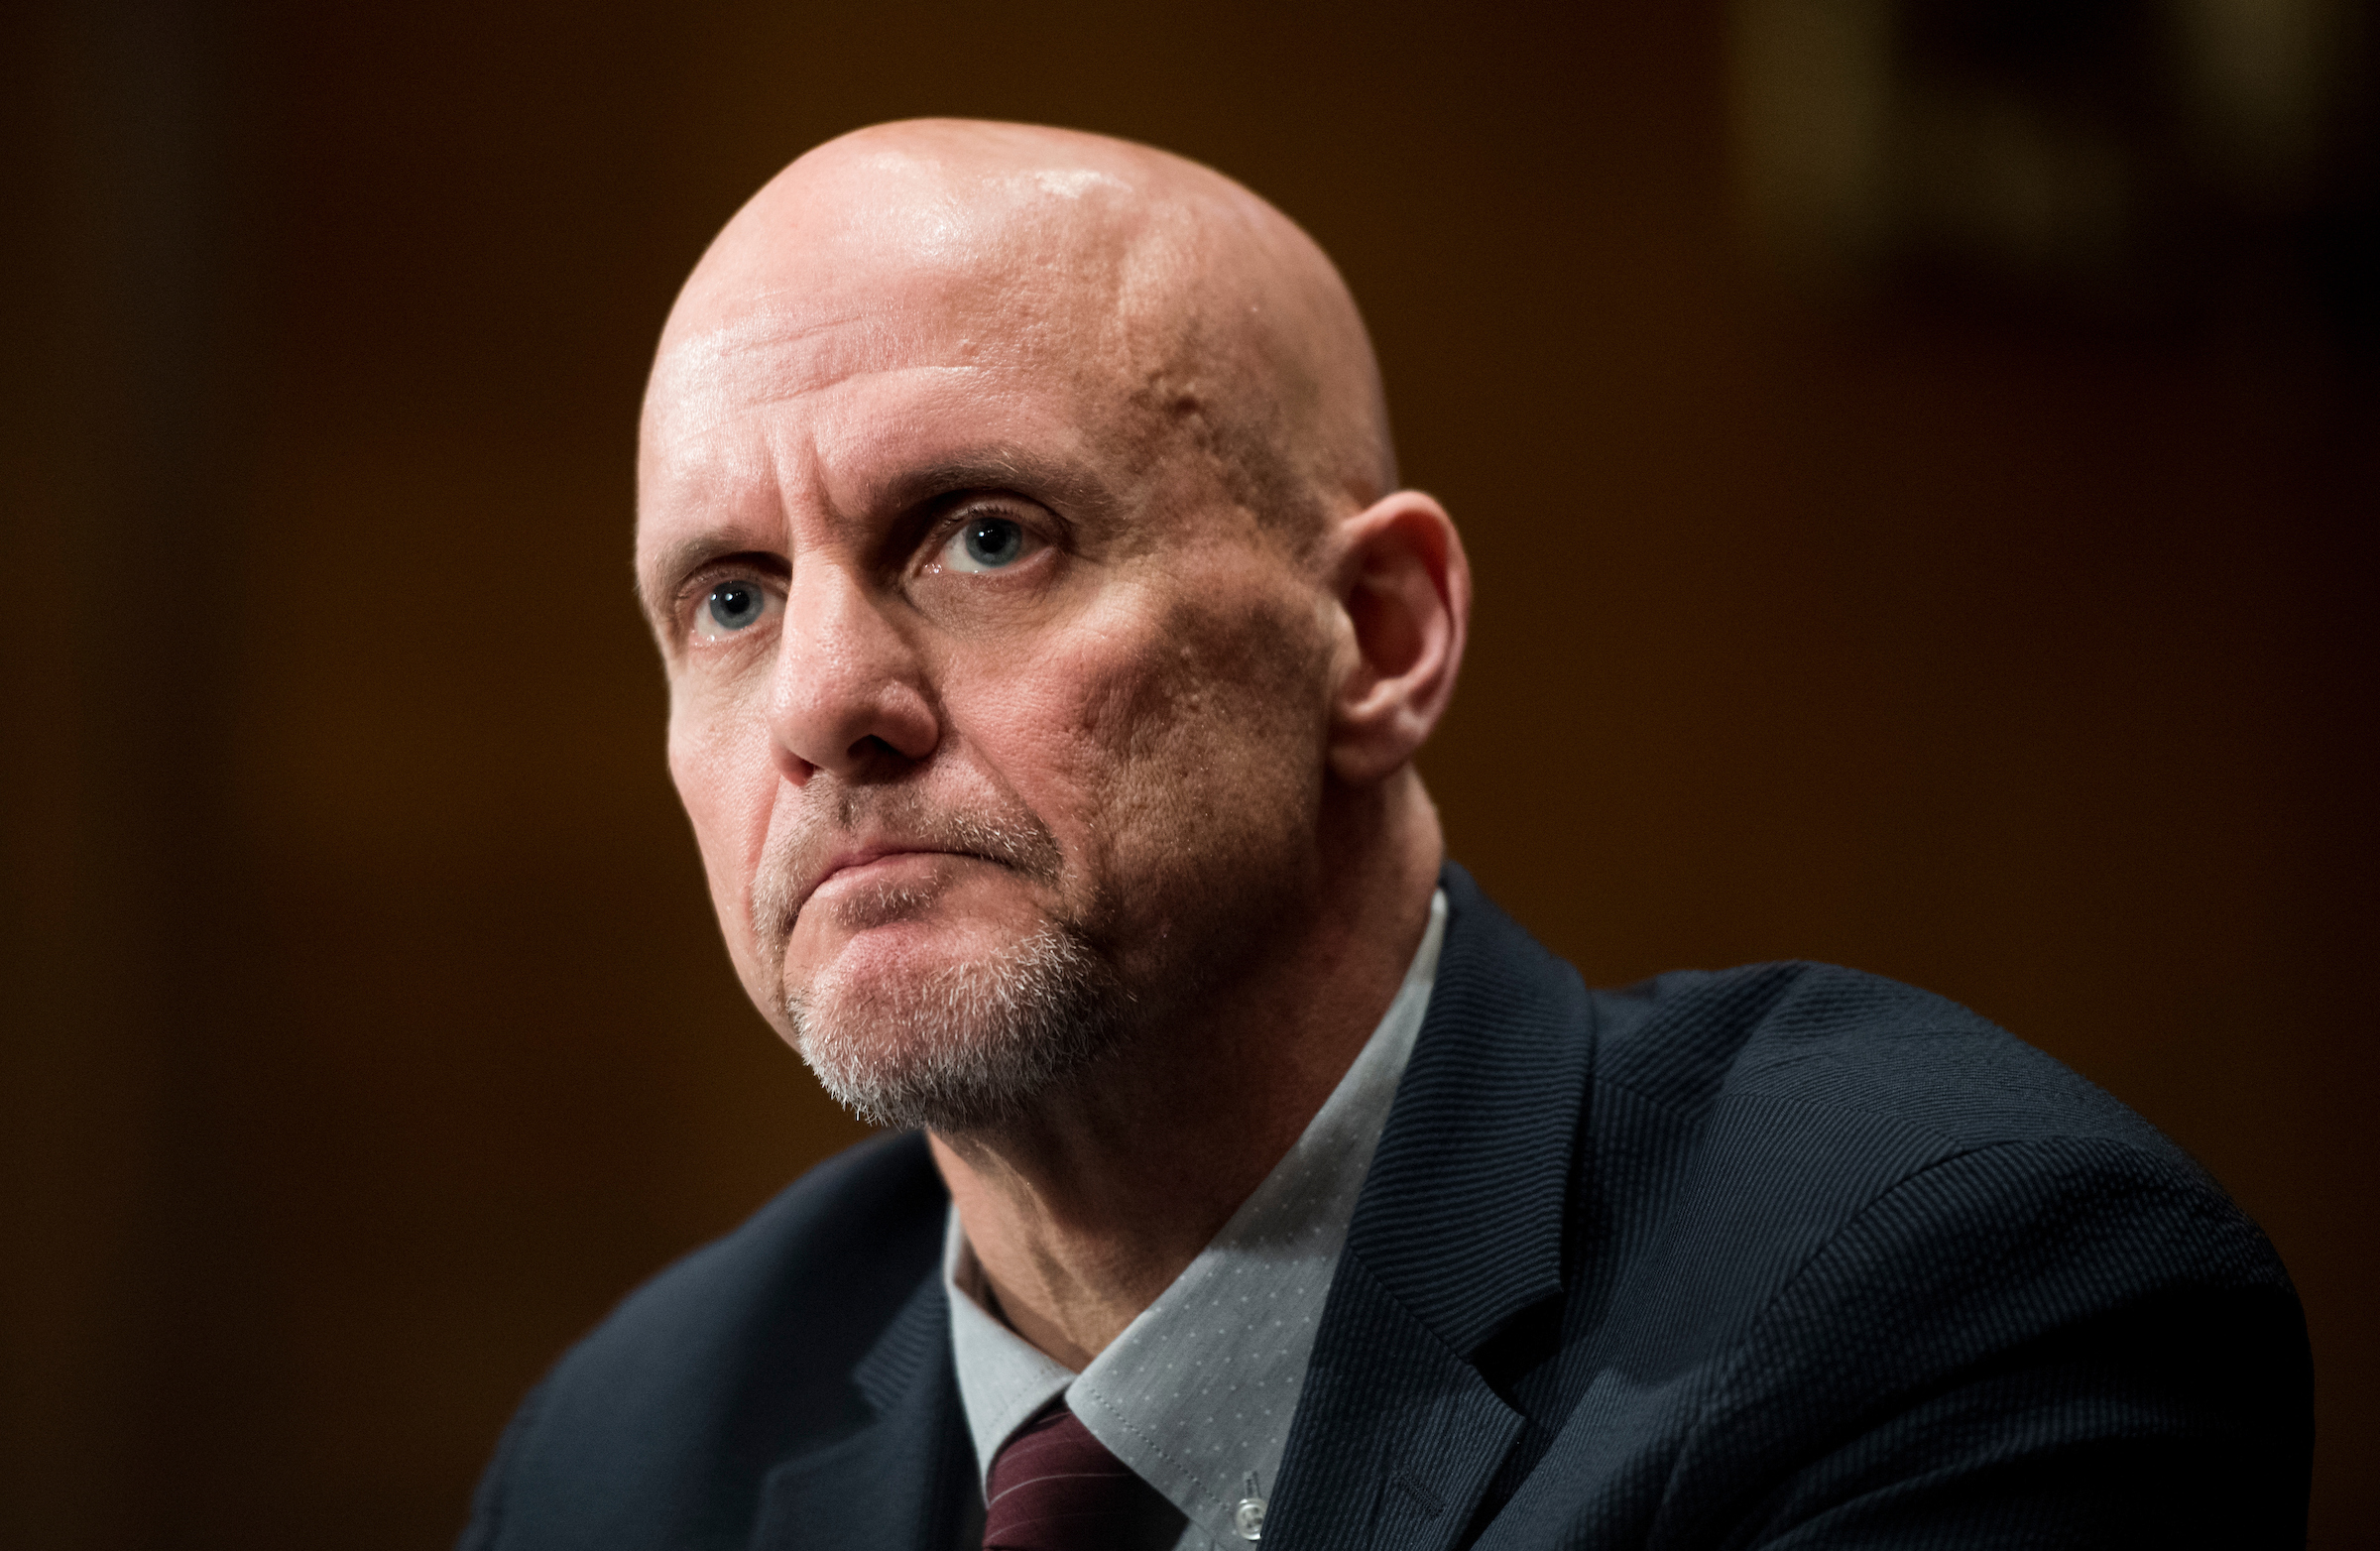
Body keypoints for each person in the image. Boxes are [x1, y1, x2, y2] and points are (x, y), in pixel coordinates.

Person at [458, 120, 2311, 1550]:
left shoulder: (1945, 1303)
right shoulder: (630, 1458)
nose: (821, 702)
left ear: (1383, 637)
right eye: (729, 599)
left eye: (984, 534)